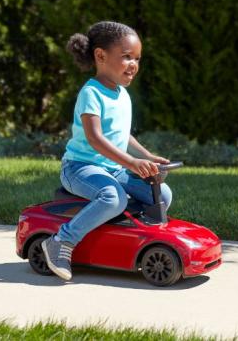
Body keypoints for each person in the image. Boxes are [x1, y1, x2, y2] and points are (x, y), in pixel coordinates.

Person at [42, 20, 172, 281]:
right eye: (126, 57)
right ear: (100, 56)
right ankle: (61, 242)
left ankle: (124, 234)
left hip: (111, 168)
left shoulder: (122, 94)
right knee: (113, 198)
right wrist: (132, 163)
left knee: (162, 194)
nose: (134, 64)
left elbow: (122, 135)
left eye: (137, 58)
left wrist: (146, 156)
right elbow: (96, 139)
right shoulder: (91, 93)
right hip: (80, 168)